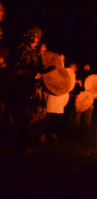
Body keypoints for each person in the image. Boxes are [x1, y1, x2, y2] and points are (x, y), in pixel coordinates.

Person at [9, 27, 45, 156]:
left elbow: (39, 68)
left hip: (32, 88)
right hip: (20, 88)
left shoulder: (36, 53)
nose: (34, 38)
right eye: (33, 35)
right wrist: (29, 75)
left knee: (28, 117)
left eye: (37, 36)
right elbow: (14, 69)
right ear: (28, 36)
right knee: (20, 117)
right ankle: (18, 147)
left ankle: (25, 145)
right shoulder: (21, 50)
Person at [75, 63, 94, 132]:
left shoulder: (91, 76)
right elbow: (77, 85)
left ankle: (87, 130)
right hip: (81, 97)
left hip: (89, 97)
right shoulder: (79, 75)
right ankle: (77, 130)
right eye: (85, 65)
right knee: (78, 116)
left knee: (88, 116)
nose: (86, 67)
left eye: (88, 66)